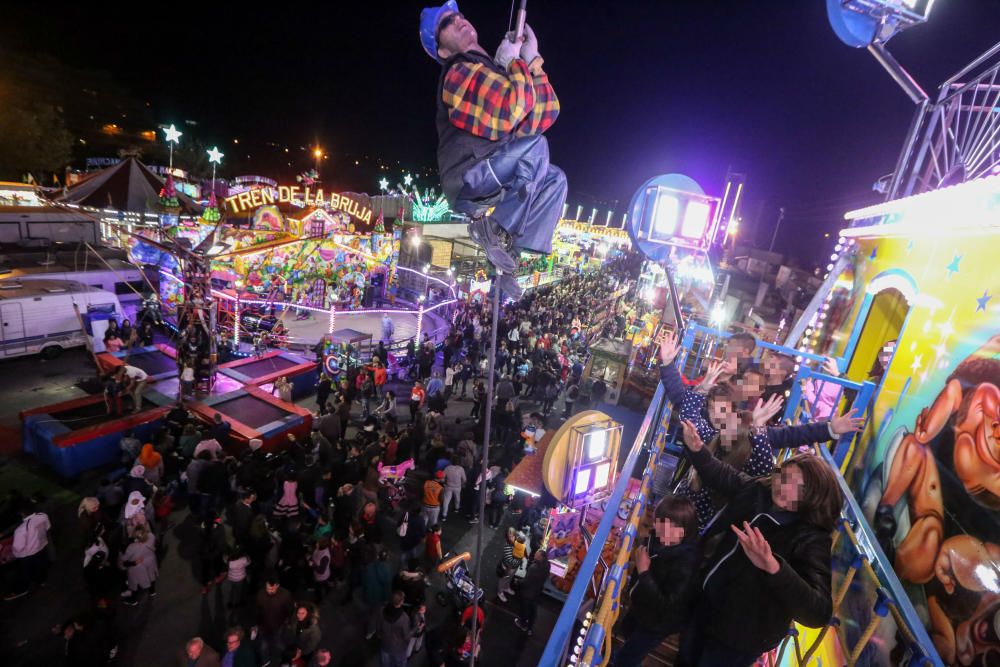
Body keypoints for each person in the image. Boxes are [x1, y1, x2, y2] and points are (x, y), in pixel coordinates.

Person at [421, 2, 566, 296]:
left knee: (555, 179)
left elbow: (544, 113)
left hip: (494, 172)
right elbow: (512, 107)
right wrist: (514, 64)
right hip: (471, 176)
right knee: (536, 148)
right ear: (442, 50)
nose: (459, 20)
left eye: (460, 15)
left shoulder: (494, 72)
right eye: (447, 22)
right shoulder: (458, 72)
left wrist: (532, 60)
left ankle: (509, 255)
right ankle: (494, 231)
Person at [676, 420, 843, 666]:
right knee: (685, 658)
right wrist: (698, 449)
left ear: (813, 496)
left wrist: (773, 568)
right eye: (783, 478)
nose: (784, 489)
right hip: (706, 604)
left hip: (739, 637)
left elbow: (819, 611)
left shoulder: (811, 538)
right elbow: (721, 474)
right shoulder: (759, 490)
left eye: (798, 488)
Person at [612, 495, 700, 667]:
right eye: (657, 520)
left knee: (628, 657)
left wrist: (643, 572)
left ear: (682, 530)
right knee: (628, 631)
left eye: (664, 524)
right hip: (642, 607)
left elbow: (667, 605)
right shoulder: (659, 539)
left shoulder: (686, 563)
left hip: (658, 622)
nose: (656, 526)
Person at [4, 502, 52, 600]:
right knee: (41, 567)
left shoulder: (21, 529)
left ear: (22, 514)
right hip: (42, 548)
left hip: (28, 555)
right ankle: (41, 581)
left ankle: (21, 590)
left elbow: (18, 547)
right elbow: (48, 527)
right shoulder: (43, 516)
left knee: (25, 573)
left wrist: (12, 553)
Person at [255, 576, 294, 666]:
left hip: (278, 625)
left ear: (277, 586)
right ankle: (266, 662)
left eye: (272, 589)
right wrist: (257, 623)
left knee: (278, 643)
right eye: (268, 588)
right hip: (263, 625)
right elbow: (257, 610)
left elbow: (290, 610)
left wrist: (286, 621)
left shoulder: (285, 595)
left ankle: (280, 659)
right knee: (263, 645)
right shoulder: (260, 594)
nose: (269, 591)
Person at [120, 523, 158, 605]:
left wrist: (120, 554)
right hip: (150, 561)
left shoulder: (132, 547)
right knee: (151, 576)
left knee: (134, 584)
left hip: (138, 567)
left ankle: (133, 600)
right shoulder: (151, 536)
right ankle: (152, 591)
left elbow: (124, 558)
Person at [514, 550, 550, 635]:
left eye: (536, 554)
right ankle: (530, 627)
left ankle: (522, 624)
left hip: (528, 593)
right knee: (533, 610)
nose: (535, 554)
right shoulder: (547, 565)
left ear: (541, 557)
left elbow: (526, 582)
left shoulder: (533, 567)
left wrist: (518, 581)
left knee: (524, 610)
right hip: (537, 592)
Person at [376, 590, 414, 667]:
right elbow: (406, 636)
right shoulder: (404, 618)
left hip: (385, 645)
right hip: (398, 648)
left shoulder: (382, 610)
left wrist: (380, 636)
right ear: (401, 602)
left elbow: (378, 626)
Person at [440, 456, 466, 521]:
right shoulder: (461, 469)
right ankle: (456, 508)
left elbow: (442, 478)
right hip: (457, 487)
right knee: (457, 498)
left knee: (446, 501)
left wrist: (444, 483)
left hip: (448, 486)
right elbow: (464, 479)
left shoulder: (447, 468)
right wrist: (462, 484)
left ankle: (444, 515)